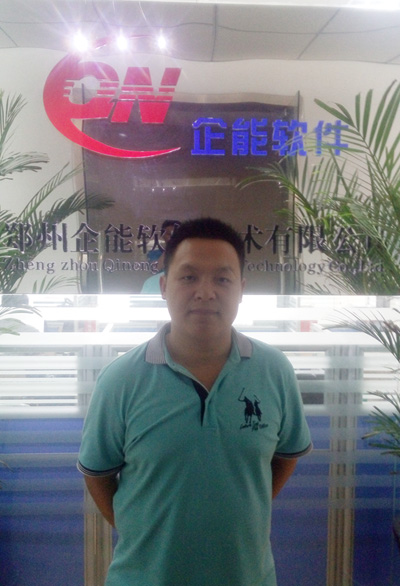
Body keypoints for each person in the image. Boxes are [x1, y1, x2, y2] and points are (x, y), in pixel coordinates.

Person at [78, 217, 312, 586]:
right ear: (163, 286)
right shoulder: (121, 380)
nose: (205, 292)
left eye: (222, 279)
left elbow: (284, 457)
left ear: (241, 289)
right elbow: (98, 475)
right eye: (188, 277)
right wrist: (143, 533)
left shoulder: (274, 371)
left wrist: (244, 509)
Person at [141, 220, 181, 294]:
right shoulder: (154, 253)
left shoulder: (187, 253)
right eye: (168, 234)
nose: (172, 237)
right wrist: (170, 248)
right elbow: (154, 269)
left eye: (175, 234)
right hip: (157, 289)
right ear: (163, 235)